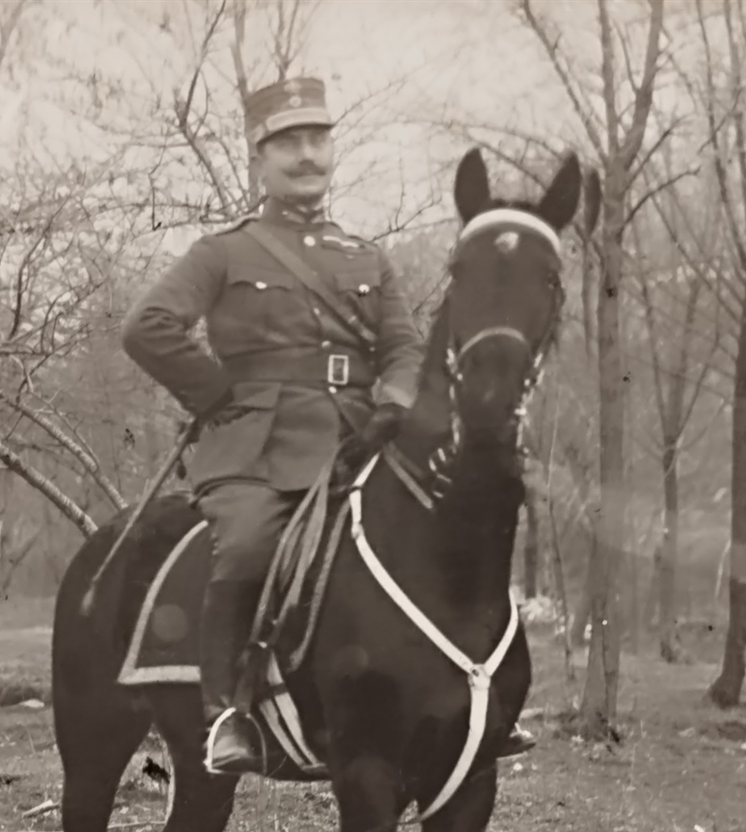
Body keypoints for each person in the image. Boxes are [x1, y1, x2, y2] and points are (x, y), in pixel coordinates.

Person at [121, 75, 536, 776]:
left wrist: (395, 402)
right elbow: (147, 327)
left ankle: (479, 698)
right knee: (249, 544)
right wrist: (220, 393)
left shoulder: (366, 257)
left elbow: (402, 348)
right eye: (289, 143)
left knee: (450, 529)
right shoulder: (224, 253)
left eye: (317, 140)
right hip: (257, 452)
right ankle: (228, 711)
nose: (307, 156)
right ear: (260, 158)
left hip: (359, 442)